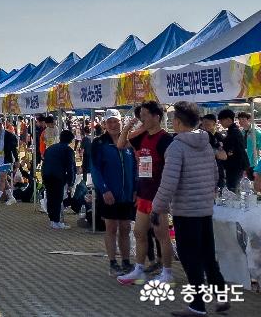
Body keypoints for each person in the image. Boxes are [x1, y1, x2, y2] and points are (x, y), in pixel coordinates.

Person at [152, 102, 228, 317]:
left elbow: (169, 182)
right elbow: (215, 174)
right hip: (204, 209)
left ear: (177, 122)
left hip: (185, 211)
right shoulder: (206, 142)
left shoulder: (176, 147)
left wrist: (157, 208)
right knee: (207, 256)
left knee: (189, 258)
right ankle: (221, 299)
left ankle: (197, 305)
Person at [117, 101, 175, 286]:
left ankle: (167, 273)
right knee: (139, 232)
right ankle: (139, 270)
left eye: (145, 115)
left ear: (156, 117)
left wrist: (166, 195)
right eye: (140, 115)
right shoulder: (142, 136)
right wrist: (127, 126)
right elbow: (121, 144)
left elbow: (171, 168)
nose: (141, 118)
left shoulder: (166, 139)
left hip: (159, 195)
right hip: (143, 193)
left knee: (161, 235)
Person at [89, 108, 136, 277]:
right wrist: (104, 189)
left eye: (116, 121)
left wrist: (136, 189)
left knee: (125, 227)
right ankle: (112, 262)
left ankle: (125, 261)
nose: (113, 125)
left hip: (127, 194)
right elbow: (95, 169)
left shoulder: (130, 142)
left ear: (121, 122)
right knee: (111, 227)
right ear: (104, 124)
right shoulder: (99, 143)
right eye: (110, 122)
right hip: (108, 194)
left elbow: (136, 167)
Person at [41, 129, 76, 229]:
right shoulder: (68, 150)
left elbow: (44, 162)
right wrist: (71, 182)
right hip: (57, 176)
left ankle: (52, 220)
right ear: (70, 140)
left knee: (50, 197)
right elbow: (70, 167)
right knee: (57, 198)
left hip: (46, 175)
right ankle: (56, 221)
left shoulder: (50, 148)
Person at [218, 108, 248, 193]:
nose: (220, 122)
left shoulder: (234, 133)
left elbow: (231, 151)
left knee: (232, 190)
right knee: (233, 188)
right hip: (236, 165)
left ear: (228, 120)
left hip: (235, 165)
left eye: (221, 120)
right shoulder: (233, 131)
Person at [200, 114, 226, 190]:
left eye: (207, 123)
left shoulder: (218, 136)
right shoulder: (200, 136)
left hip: (217, 168)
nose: (204, 125)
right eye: (203, 123)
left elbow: (224, 155)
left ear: (214, 124)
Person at [237, 111, 258, 180]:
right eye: (239, 119)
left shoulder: (256, 131)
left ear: (248, 120)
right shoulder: (242, 132)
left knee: (256, 182)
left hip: (255, 161)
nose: (241, 121)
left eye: (243, 119)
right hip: (246, 161)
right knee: (250, 181)